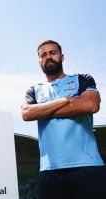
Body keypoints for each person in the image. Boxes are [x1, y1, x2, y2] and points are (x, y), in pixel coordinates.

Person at [21, 40, 106, 199]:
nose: (48, 57)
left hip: (88, 165)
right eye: (43, 55)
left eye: (52, 53)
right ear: (39, 61)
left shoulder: (82, 79)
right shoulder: (34, 90)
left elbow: (91, 105)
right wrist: (65, 100)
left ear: (62, 56)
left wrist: (43, 110)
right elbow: (27, 113)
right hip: (50, 170)